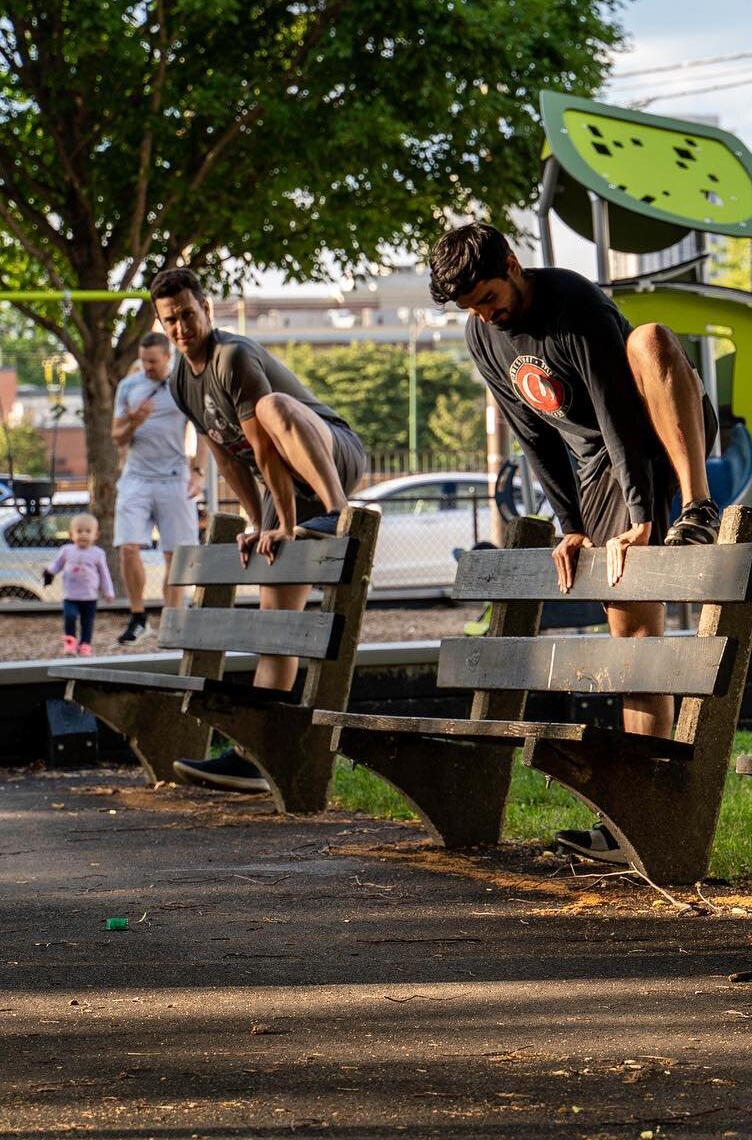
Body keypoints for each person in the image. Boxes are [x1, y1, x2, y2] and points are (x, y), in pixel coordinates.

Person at [427, 220, 720, 864]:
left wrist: (644, 512)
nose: (485, 314)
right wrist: (574, 528)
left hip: (657, 431)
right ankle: (637, 820)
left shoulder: (574, 302)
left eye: (487, 296)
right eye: (472, 307)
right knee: (635, 638)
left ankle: (698, 505)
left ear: (511, 262)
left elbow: (618, 410)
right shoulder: (485, 339)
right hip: (597, 465)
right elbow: (535, 436)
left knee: (650, 340)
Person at [149, 266, 369, 793]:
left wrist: (288, 524)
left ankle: (340, 513)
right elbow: (228, 458)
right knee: (278, 624)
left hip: (329, 457)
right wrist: (256, 522)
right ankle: (257, 757)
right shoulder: (181, 379)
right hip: (283, 489)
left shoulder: (234, 357)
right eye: (169, 321)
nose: (180, 328)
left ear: (206, 308)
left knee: (272, 406)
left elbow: (266, 447)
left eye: (186, 314)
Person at [111, 331, 206, 645]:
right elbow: (117, 438)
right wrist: (135, 421)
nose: (147, 367)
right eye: (143, 360)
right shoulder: (129, 386)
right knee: (128, 546)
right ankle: (138, 617)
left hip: (174, 477)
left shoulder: (184, 384)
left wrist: (198, 472)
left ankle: (172, 620)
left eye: (153, 361)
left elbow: (204, 430)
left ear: (168, 357)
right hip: (136, 477)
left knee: (175, 555)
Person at [44, 513, 114, 657]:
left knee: (87, 622)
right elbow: (57, 565)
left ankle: (85, 645)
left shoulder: (98, 553)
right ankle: (70, 643)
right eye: (79, 531)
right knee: (69, 616)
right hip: (70, 595)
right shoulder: (66, 550)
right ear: (71, 534)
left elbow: (104, 573)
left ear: (96, 535)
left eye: (88, 531)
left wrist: (108, 591)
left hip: (89, 597)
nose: (83, 534)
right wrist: (49, 571)